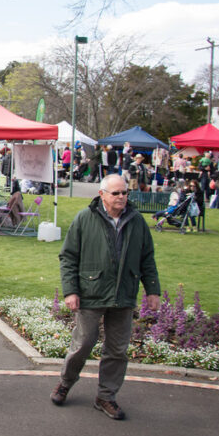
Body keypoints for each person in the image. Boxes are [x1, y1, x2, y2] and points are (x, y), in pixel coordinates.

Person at [50, 174, 161, 420]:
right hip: (92, 292)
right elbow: (68, 257)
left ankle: (106, 396)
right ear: (102, 194)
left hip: (124, 294)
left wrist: (152, 290)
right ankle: (65, 383)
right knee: (82, 345)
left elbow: (147, 258)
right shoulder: (84, 218)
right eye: (116, 193)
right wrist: (71, 291)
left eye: (124, 193)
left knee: (117, 350)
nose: (122, 197)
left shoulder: (136, 221)